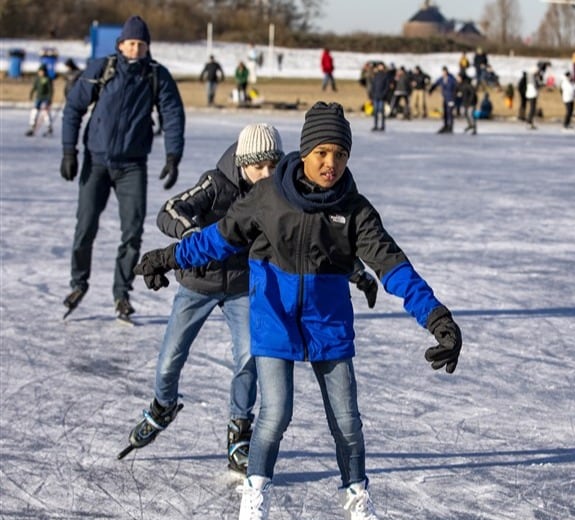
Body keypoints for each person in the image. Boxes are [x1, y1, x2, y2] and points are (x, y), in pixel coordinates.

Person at [133, 101, 463, 520]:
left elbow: (393, 266)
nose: (332, 164)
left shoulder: (354, 210)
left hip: (327, 326)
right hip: (275, 320)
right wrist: (167, 258)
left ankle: (358, 505)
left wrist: (438, 318)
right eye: (324, 152)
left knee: (347, 422)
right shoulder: (268, 196)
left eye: (341, 155)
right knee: (275, 416)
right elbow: (218, 237)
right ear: (306, 151)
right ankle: (255, 501)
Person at [120, 123, 380, 472]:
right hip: (199, 283)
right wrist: (194, 236)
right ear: (243, 163)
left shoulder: (282, 194)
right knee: (170, 358)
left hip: (244, 287)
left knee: (248, 359)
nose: (266, 174)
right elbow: (169, 211)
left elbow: (314, 246)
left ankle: (239, 432)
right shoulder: (215, 183)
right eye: (259, 166)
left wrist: (358, 273)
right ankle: (163, 405)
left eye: (273, 165)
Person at [60, 15, 185, 323]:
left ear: (147, 47)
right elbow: (74, 108)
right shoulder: (102, 69)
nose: (135, 49)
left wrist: (173, 156)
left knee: (132, 231)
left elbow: (172, 114)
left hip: (132, 165)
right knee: (85, 227)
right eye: (130, 43)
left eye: (141, 44)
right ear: (120, 45)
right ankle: (78, 284)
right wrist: (68, 151)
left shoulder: (156, 75)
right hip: (97, 161)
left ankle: (122, 294)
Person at [26, 65, 54, 137]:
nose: (40, 73)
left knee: (45, 112)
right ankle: (32, 126)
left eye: (42, 71)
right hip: (38, 97)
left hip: (46, 98)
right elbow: (34, 87)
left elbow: (50, 90)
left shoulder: (47, 79)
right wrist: (31, 94)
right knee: (34, 111)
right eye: (39, 71)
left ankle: (49, 127)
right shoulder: (37, 79)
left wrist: (49, 99)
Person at [429, 66, 457, 134]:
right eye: (443, 72)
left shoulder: (451, 79)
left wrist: (455, 96)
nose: (444, 73)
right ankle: (445, 125)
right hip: (445, 98)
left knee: (449, 112)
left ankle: (450, 126)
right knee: (445, 112)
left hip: (451, 98)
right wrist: (431, 90)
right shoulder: (441, 79)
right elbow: (435, 84)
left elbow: (456, 87)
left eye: (445, 72)